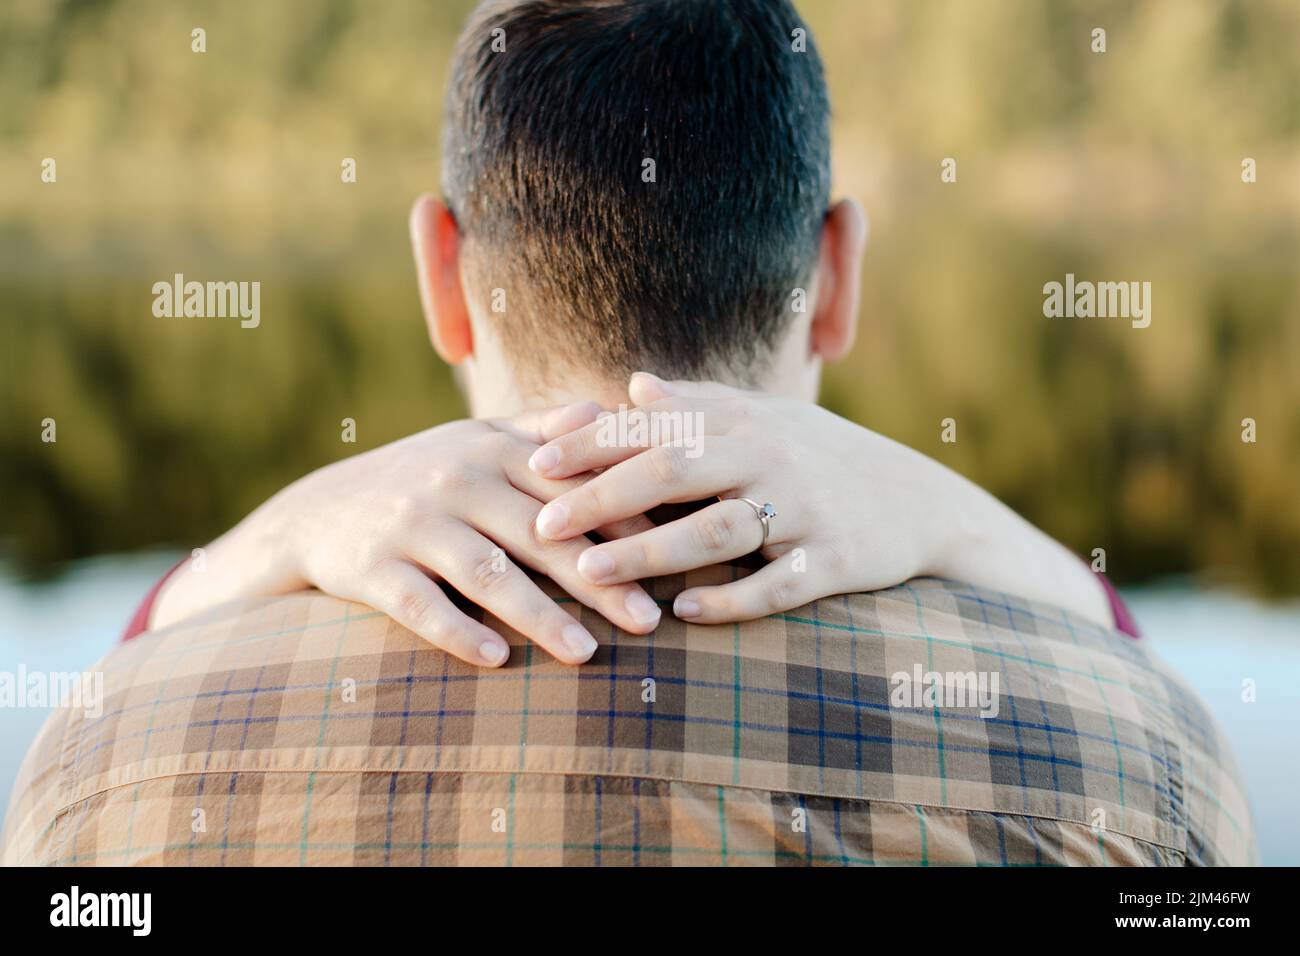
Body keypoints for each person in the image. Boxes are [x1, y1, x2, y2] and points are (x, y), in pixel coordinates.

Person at [1, 0, 1253, 866]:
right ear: (837, 274)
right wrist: (957, 516)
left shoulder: (108, 763)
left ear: (442, 274)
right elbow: (1173, 732)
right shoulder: (1136, 765)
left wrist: (249, 551)